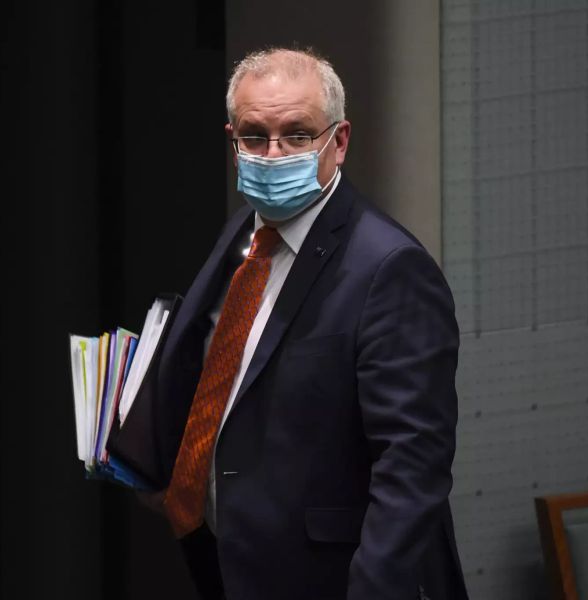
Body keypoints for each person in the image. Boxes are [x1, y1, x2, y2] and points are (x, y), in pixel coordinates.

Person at [147, 47, 468, 600]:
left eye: (297, 135)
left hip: (331, 580)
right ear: (233, 140)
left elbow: (413, 466)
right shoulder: (246, 231)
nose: (273, 155)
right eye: (254, 137)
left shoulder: (390, 269)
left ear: (339, 141)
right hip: (230, 563)